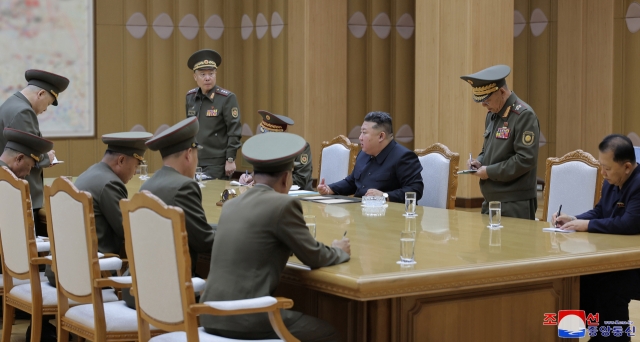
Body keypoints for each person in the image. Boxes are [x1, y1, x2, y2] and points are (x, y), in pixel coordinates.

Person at [200, 132, 350, 341]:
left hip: (208, 315)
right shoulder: (283, 204)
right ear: (286, 177)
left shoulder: (231, 205)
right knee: (331, 333)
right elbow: (314, 256)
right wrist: (338, 250)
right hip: (246, 318)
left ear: (254, 173)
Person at [554, 134, 640, 341]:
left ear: (627, 167)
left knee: (607, 286)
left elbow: (630, 223)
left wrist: (587, 225)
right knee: (582, 279)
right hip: (616, 258)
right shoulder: (612, 180)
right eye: (601, 166)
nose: (602, 173)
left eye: (607, 168)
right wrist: (573, 219)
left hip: (634, 263)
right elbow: (600, 211)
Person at [462, 65, 540, 220]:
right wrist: (479, 162)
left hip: (514, 202)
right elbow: (487, 149)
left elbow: (525, 159)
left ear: (502, 92)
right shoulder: (493, 114)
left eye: (487, 101)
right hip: (491, 198)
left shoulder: (523, 115)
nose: (484, 106)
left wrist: (489, 171)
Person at [0, 69, 69, 231]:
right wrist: (47, 158)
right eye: (49, 103)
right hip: (23, 191)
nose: (46, 109)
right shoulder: (24, 111)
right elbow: (25, 153)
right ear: (41, 94)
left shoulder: (11, 103)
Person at [317, 111, 423, 203]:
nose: (360, 138)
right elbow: (352, 182)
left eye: (364, 133)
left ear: (381, 136)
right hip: (360, 214)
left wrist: (385, 196)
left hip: (390, 217)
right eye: (360, 133)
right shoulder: (363, 154)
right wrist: (330, 189)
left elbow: (415, 190)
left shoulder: (403, 157)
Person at [185, 49, 242, 180]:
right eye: (203, 74)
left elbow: (234, 131)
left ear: (215, 74)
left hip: (217, 162)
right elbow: (189, 129)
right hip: (196, 159)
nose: (207, 78)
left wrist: (230, 158)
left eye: (211, 73)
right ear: (195, 77)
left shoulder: (226, 98)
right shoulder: (190, 97)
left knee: (213, 196)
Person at [239, 110, 313, 190]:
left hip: (300, 195)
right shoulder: (267, 146)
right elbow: (265, 170)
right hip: (270, 192)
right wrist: (251, 177)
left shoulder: (301, 147)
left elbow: (301, 179)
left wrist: (267, 182)